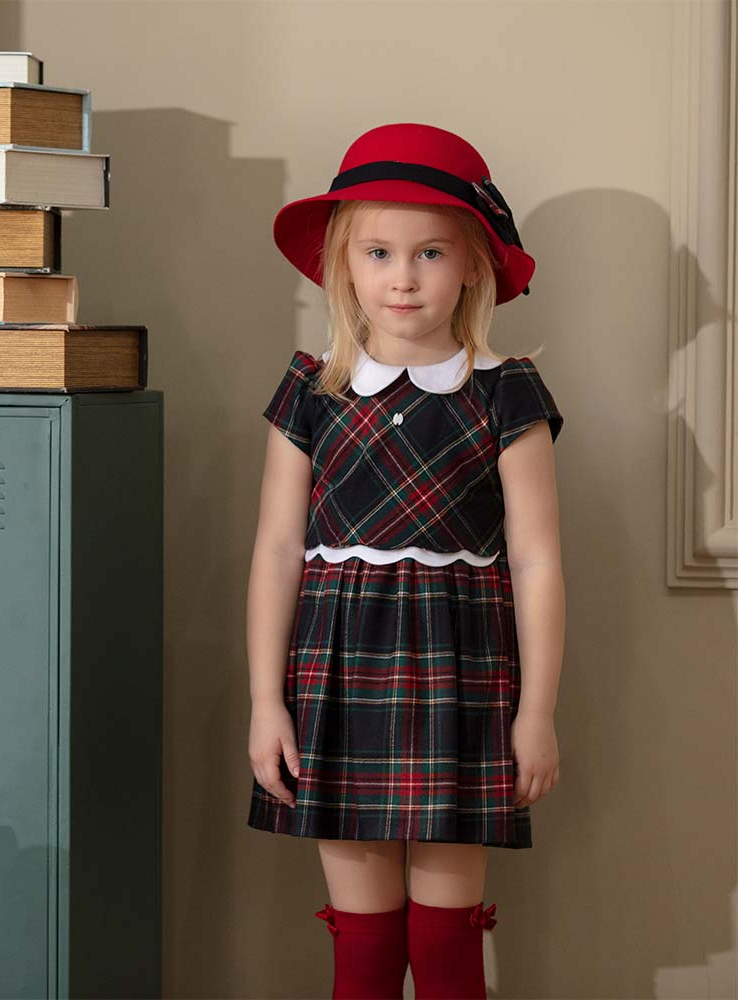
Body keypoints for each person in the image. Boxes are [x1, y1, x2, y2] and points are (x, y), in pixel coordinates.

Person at [245, 123, 565, 1000]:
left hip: (463, 687)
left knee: (450, 949)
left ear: (472, 265)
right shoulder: (313, 391)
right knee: (364, 951)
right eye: (380, 251)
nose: (403, 275)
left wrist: (535, 713)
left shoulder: (505, 394)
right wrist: (264, 703)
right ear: (343, 262)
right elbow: (277, 551)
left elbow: (537, 562)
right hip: (338, 685)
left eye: (430, 252)